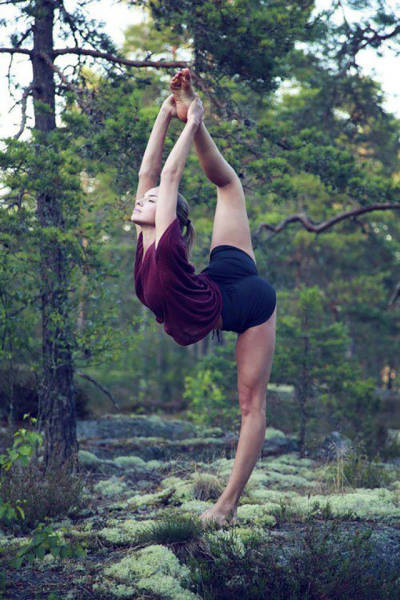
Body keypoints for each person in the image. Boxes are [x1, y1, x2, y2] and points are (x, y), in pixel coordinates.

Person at [131, 68, 277, 527]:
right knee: (230, 187)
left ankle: (227, 505)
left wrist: (193, 123)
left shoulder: (170, 244)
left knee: (250, 403)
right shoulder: (146, 242)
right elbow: (149, 171)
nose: (139, 202)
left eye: (150, 200)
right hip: (222, 276)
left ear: (168, 212)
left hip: (247, 302)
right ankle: (190, 106)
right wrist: (167, 111)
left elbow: (170, 173)